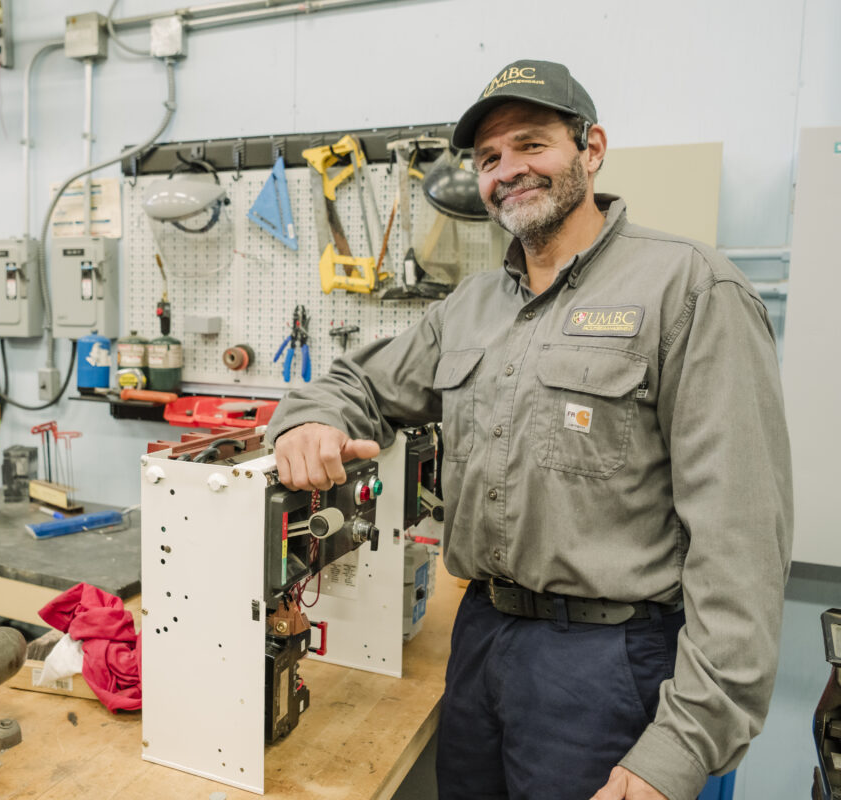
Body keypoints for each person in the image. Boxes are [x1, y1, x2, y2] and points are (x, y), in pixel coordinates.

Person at [265, 59, 792, 800]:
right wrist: (312, 421)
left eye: (531, 144)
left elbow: (741, 543)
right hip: (481, 639)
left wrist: (682, 744)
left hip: (612, 665)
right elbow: (355, 382)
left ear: (592, 149)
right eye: (489, 158)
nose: (508, 170)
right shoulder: (470, 307)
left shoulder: (692, 289)